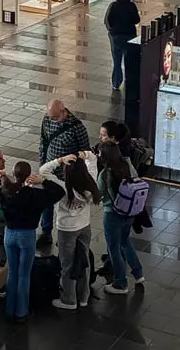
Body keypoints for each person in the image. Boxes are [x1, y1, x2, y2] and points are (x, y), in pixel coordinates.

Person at [0, 161, 65, 323]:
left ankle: (9, 309)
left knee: (12, 271)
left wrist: (3, 177)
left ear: (14, 173)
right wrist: (43, 181)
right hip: (27, 236)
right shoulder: (35, 196)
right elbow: (59, 192)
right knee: (24, 274)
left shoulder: (4, 191)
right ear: (28, 176)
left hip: (9, 234)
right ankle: (21, 312)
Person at [38, 152, 98, 310]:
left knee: (67, 264)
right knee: (84, 261)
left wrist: (59, 160)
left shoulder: (62, 187)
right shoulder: (90, 183)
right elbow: (93, 160)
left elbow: (43, 171)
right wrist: (86, 155)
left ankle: (69, 299)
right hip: (85, 226)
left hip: (66, 229)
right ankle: (83, 296)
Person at [38, 100, 91, 248]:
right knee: (47, 203)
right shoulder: (47, 119)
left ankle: (68, 232)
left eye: (55, 117)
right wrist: (42, 164)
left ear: (63, 111)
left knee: (66, 203)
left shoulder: (77, 127)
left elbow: (85, 151)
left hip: (67, 174)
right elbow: (43, 141)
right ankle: (46, 232)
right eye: (50, 116)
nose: (52, 120)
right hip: (50, 169)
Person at [97, 143, 145, 294]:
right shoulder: (127, 165)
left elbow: (98, 194)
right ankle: (138, 274)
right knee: (125, 242)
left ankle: (120, 283)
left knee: (114, 248)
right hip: (129, 212)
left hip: (112, 214)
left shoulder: (105, 174)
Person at [103, 0, 140, 92]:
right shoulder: (132, 6)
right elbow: (137, 20)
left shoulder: (113, 5)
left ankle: (116, 83)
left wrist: (111, 32)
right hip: (129, 37)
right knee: (129, 62)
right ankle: (130, 83)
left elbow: (107, 20)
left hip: (116, 37)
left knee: (117, 61)